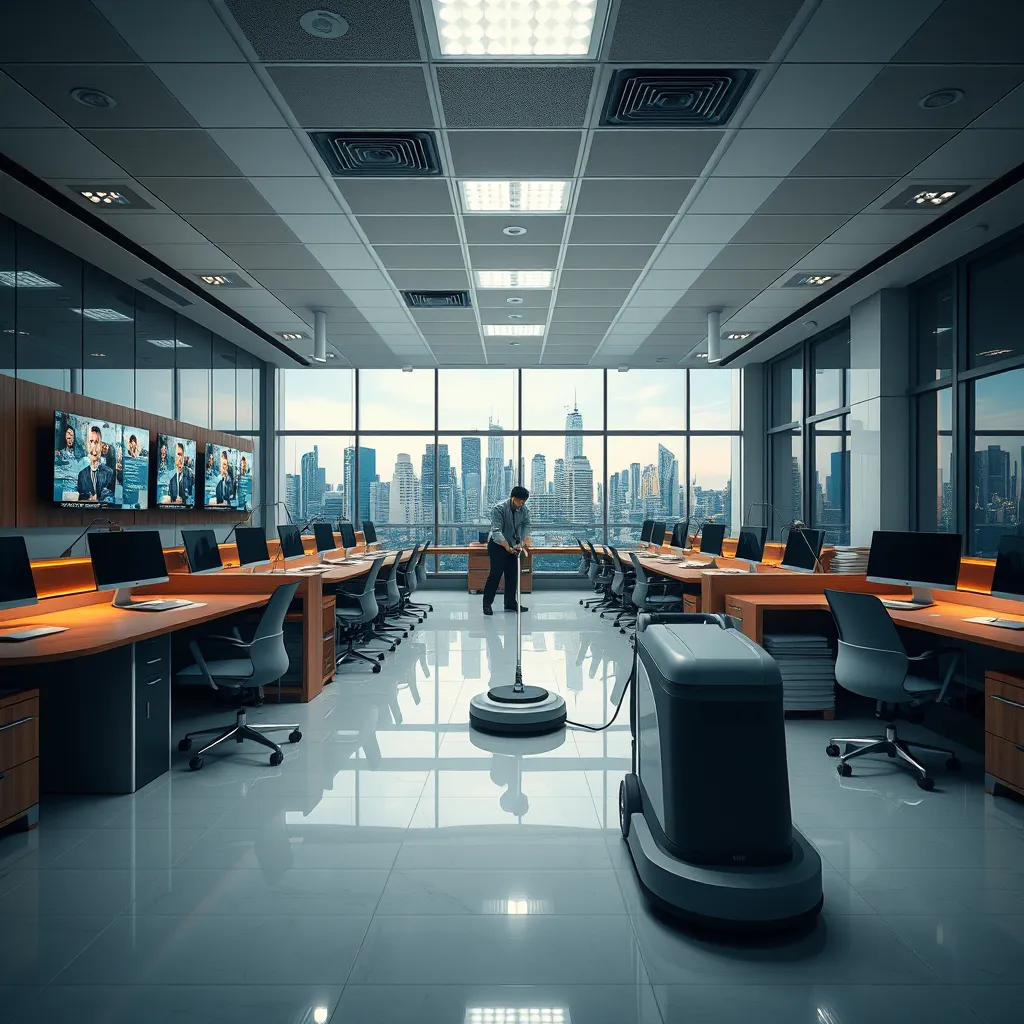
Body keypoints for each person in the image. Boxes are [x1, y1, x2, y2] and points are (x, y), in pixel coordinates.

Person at [482, 485, 531, 616]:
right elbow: (496, 531)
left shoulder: (524, 509)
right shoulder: (499, 509)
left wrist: (523, 540)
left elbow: (526, 524)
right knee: (495, 574)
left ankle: (510, 603)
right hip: (498, 545)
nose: (521, 506)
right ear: (513, 498)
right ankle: (487, 604)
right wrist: (507, 547)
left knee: (512, 575)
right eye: (519, 502)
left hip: (513, 545)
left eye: (523, 503)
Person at [76, 424, 115, 503]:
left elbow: (111, 498)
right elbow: (80, 498)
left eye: (97, 442)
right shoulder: (81, 475)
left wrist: (98, 499)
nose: (93, 446)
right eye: (91, 442)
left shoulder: (109, 473)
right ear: (87, 445)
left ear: (101, 445)